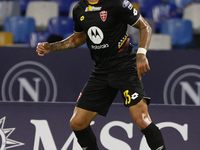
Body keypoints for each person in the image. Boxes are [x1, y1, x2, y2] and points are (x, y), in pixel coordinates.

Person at [36, 0, 166, 149]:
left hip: (125, 67)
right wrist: (51, 47)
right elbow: (77, 39)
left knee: (142, 119)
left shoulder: (117, 3)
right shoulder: (79, 9)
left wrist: (141, 55)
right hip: (101, 71)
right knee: (77, 123)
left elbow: (145, 26)